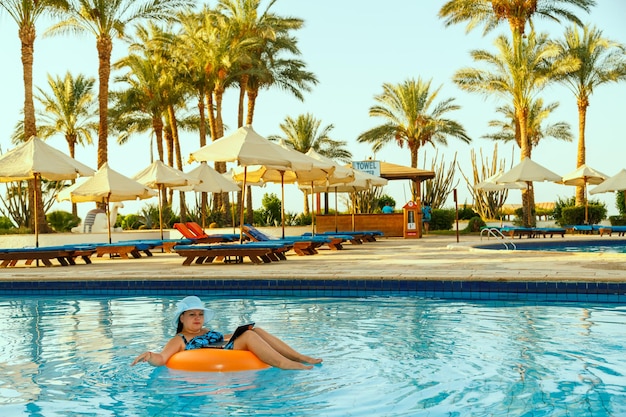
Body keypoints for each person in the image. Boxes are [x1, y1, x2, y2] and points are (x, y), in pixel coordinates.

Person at [131, 296, 322, 370]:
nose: (197, 318)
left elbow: (221, 340)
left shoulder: (206, 331)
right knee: (248, 336)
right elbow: (163, 358)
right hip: (217, 355)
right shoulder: (179, 339)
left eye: (200, 314)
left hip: (224, 347)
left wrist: (240, 331)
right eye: (192, 315)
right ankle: (284, 363)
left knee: (255, 331)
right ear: (182, 318)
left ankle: (300, 357)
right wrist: (149, 356)